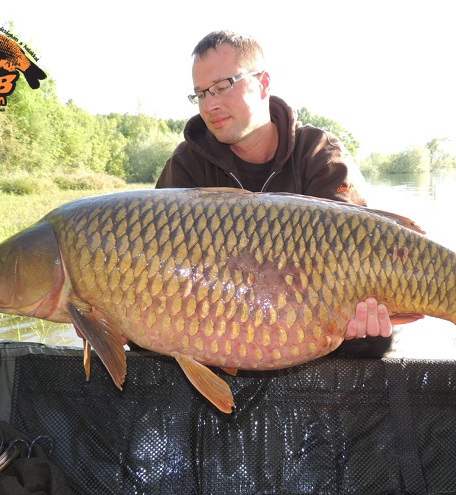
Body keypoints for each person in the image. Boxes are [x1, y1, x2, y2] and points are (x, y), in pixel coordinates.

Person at [156, 30, 392, 348]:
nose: (210, 105)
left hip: (314, 316)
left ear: (263, 83)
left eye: (222, 87)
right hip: (219, 324)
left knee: (374, 339)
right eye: (200, 94)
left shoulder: (319, 153)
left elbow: (363, 250)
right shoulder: (186, 166)